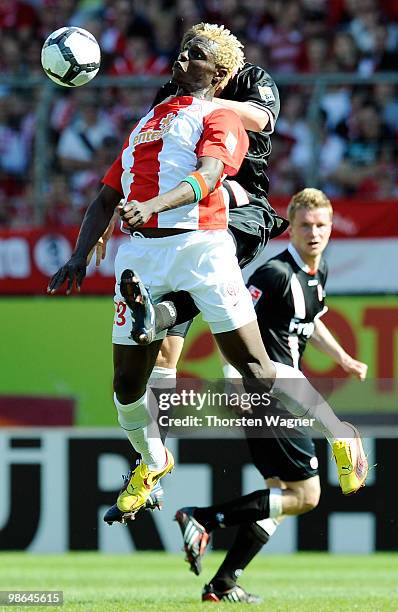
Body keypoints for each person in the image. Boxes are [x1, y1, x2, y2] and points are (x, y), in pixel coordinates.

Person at [174, 188, 368, 603]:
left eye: (320, 226)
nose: (313, 233)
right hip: (265, 392)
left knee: (280, 494)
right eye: (305, 226)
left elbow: (310, 323)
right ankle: (202, 519)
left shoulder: (318, 273)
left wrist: (344, 358)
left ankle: (222, 583)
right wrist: (234, 379)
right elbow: (232, 326)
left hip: (281, 392)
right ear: (291, 228)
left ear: (331, 228)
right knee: (306, 495)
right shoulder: (274, 275)